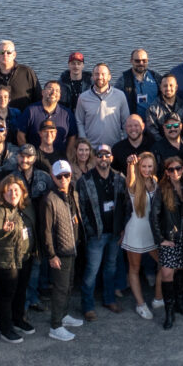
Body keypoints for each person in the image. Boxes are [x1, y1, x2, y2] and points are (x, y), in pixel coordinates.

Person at [74, 142, 125, 321]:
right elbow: (80, 208)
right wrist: (88, 229)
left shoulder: (120, 178)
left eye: (106, 155)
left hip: (115, 232)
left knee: (110, 268)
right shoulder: (85, 180)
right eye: (100, 155)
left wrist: (123, 229)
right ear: (95, 158)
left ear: (111, 158)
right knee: (92, 270)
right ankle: (87, 306)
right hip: (96, 234)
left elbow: (126, 205)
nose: (103, 158)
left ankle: (108, 299)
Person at [40, 160, 86, 341]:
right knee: (60, 289)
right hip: (60, 252)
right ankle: (55, 325)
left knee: (68, 286)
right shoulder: (49, 199)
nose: (63, 179)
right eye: (59, 176)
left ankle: (64, 315)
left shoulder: (72, 192)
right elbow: (46, 230)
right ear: (53, 177)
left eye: (66, 175)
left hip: (72, 247)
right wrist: (51, 255)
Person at [0, 175, 35, 343]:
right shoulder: (0, 211)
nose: (13, 194)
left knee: (21, 292)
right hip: (6, 261)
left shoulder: (24, 209)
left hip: (24, 258)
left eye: (16, 190)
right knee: (7, 295)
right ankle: (5, 328)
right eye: (9, 191)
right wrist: (3, 231)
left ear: (22, 192)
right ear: (3, 193)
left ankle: (18, 320)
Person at [151, 157, 183, 329]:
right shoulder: (162, 189)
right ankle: (169, 312)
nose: (175, 172)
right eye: (171, 170)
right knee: (167, 274)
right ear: (166, 172)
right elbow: (153, 216)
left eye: (178, 168)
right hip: (170, 237)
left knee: (181, 270)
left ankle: (180, 304)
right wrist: (160, 239)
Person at [120, 152, 163, 319]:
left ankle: (158, 297)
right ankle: (140, 304)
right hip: (136, 232)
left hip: (153, 232)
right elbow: (129, 180)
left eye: (149, 166)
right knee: (134, 268)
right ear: (139, 166)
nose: (146, 169)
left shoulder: (155, 181)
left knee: (164, 263)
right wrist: (130, 164)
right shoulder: (134, 182)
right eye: (143, 166)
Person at [75, 62, 129, 149]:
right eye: (96, 74)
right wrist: (84, 143)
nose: (100, 77)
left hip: (114, 147)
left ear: (109, 77)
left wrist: (126, 144)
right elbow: (80, 122)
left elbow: (126, 122)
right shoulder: (83, 97)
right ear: (92, 77)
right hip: (91, 148)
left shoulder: (120, 96)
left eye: (103, 74)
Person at [0, 40, 40, 112]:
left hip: (23, 120)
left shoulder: (27, 72)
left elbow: (38, 98)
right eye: (1, 52)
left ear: (14, 54)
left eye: (9, 52)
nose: (5, 55)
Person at [23, 80, 74, 152]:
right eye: (50, 89)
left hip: (59, 159)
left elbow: (73, 136)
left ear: (60, 96)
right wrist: (27, 154)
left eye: (57, 91)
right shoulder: (30, 111)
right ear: (43, 92)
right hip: (35, 158)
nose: (53, 93)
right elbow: (20, 134)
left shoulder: (67, 113)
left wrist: (68, 156)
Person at [120, 49, 161, 121]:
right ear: (131, 61)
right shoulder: (123, 80)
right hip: (134, 125)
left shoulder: (156, 77)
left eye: (144, 61)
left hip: (154, 122)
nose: (141, 63)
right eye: (137, 61)